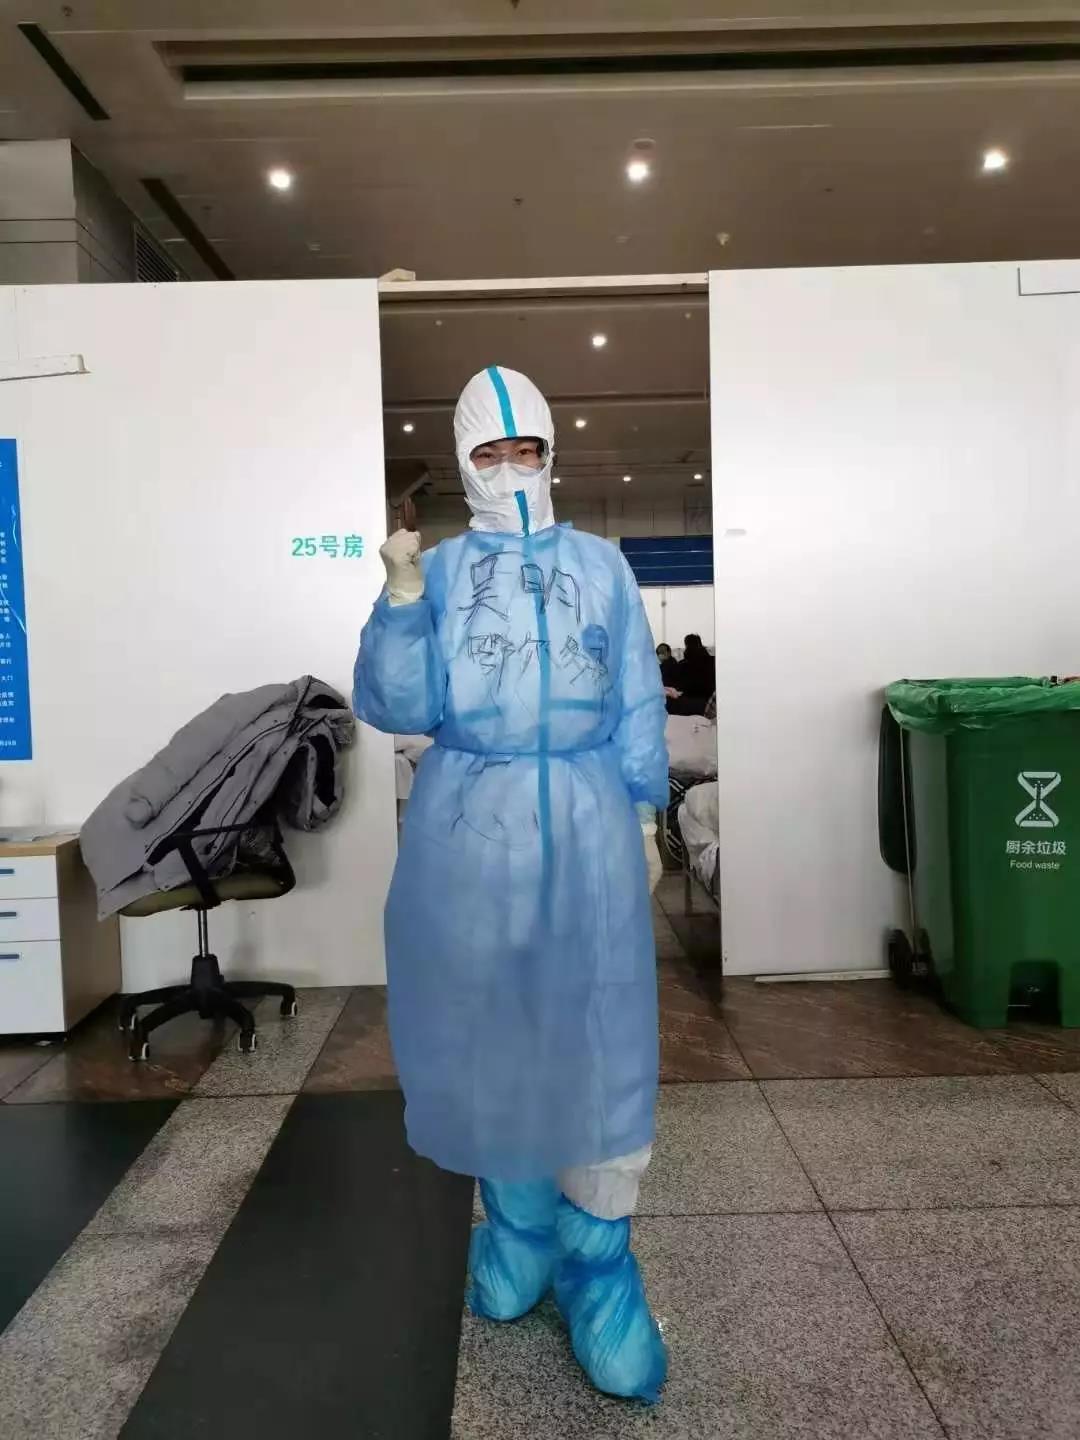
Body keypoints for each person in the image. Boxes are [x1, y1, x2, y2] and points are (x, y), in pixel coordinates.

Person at [354, 365, 669, 1404]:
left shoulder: (603, 566)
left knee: (599, 1035)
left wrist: (644, 812)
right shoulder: (440, 574)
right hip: (471, 833)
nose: (509, 468)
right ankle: (519, 1231)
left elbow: (636, 697)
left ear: (549, 451)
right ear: (462, 463)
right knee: (494, 1032)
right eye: (487, 453)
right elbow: (402, 708)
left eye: (524, 449)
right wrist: (402, 601)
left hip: (587, 820)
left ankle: (599, 1266)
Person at [675, 633, 716, 714]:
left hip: (691, 702)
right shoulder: (713, 661)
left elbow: (681, 686)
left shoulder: (683, 664)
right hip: (709, 702)